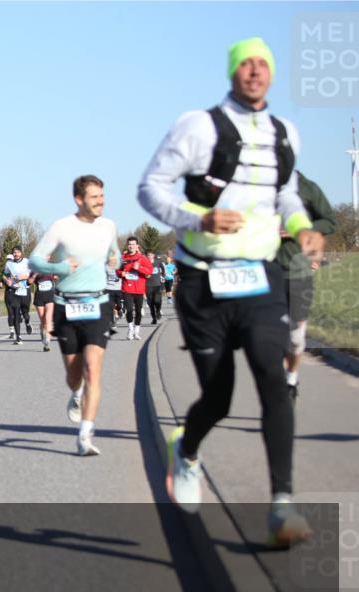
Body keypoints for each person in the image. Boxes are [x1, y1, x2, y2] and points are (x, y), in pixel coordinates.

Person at [138, 37, 324, 547]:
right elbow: (150, 188)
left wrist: (301, 225)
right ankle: (187, 450)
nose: (255, 71)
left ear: (272, 73)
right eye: (246, 64)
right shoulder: (198, 126)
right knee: (218, 398)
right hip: (203, 280)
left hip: (260, 277)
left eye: (263, 63)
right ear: (232, 71)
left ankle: (282, 505)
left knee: (274, 375)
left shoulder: (285, 133)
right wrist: (198, 218)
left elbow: (285, 193)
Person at [29, 175, 118, 456]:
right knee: (74, 374)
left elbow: (114, 254)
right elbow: (35, 260)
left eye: (102, 196)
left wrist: (115, 259)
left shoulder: (108, 226)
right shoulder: (61, 227)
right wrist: (61, 268)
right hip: (66, 306)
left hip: (98, 303)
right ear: (79, 200)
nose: (101, 201)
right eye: (94, 197)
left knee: (93, 368)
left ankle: (85, 436)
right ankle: (76, 394)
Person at [280, 171, 337, 405]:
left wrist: (301, 229)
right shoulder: (256, 186)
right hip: (264, 272)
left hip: (298, 272)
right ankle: (276, 386)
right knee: (268, 335)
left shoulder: (307, 188)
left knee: (295, 337)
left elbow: (329, 221)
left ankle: (291, 378)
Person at [117, 237, 153, 340]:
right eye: (129, 244)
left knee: (138, 310)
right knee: (128, 310)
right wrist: (121, 273)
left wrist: (139, 268)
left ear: (137, 246)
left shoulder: (142, 258)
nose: (131, 246)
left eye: (133, 244)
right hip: (127, 288)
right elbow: (117, 271)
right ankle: (130, 329)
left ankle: (137, 330)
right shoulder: (122, 258)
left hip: (139, 289)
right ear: (127, 245)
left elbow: (149, 271)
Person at [2, 246, 31, 344]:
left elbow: (34, 274)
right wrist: (7, 281)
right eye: (14, 252)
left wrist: (25, 276)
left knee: (25, 313)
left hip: (25, 290)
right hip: (15, 290)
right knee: (15, 314)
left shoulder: (27, 262)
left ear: (21, 253)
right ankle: (18, 337)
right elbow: (5, 274)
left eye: (18, 252)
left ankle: (27, 322)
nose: (16, 254)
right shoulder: (9, 264)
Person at [30, 269, 58, 351]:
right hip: (39, 296)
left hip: (50, 296)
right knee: (43, 321)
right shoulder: (34, 269)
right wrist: (34, 275)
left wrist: (56, 277)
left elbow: (57, 278)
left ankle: (47, 342)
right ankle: (42, 332)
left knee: (48, 319)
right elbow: (29, 282)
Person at [145, 251, 167, 324]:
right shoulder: (144, 263)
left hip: (157, 284)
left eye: (151, 255)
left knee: (158, 301)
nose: (150, 256)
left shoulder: (158, 262)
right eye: (148, 255)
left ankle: (158, 311)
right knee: (150, 303)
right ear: (146, 256)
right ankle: (154, 318)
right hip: (148, 285)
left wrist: (163, 276)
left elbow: (163, 269)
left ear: (153, 255)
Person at [105, 260, 124, 333]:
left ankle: (119, 310)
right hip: (109, 288)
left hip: (118, 289)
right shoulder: (106, 267)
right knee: (110, 306)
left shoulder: (120, 266)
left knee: (119, 305)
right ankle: (112, 322)